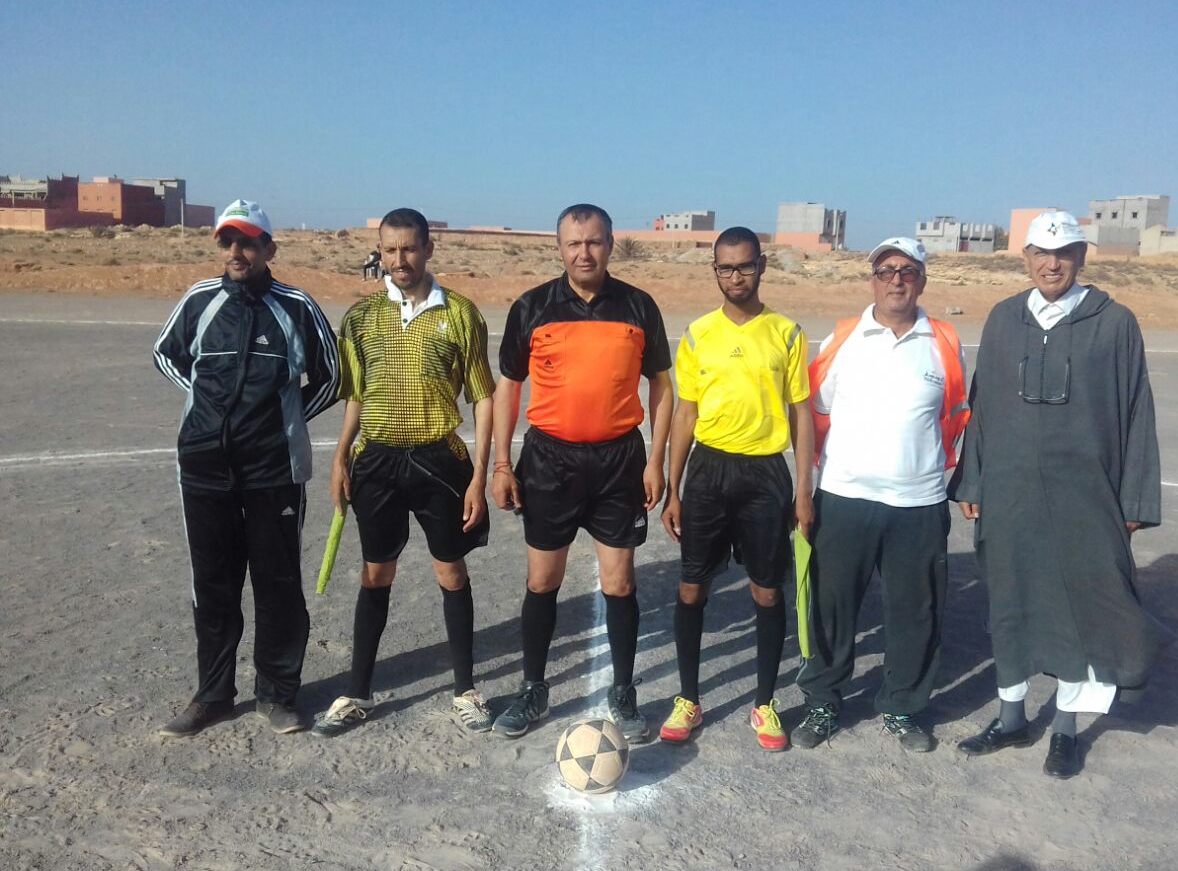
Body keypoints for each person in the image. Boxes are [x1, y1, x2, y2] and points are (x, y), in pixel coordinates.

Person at [949, 210, 1167, 778]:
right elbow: (983, 404)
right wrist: (973, 477)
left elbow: (1136, 411)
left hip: (1086, 495)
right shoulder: (1004, 319)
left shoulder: (1114, 323)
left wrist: (1135, 501)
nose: (1052, 264)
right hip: (1010, 490)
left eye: (1064, 252)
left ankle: (1066, 728)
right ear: (1025, 258)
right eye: (1041, 254)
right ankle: (1012, 717)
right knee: (1011, 599)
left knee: (1079, 607)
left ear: (1082, 256)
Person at [153, 199, 338, 737]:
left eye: (249, 242)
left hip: (273, 469)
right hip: (204, 465)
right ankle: (212, 696)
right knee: (212, 584)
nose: (237, 251)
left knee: (278, 583)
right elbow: (165, 353)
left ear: (269, 249)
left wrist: (283, 421)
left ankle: (278, 695)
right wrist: (206, 407)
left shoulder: (296, 306)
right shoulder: (200, 300)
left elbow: (331, 375)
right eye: (228, 242)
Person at [489, 204, 673, 741]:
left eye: (594, 242)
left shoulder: (638, 305)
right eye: (573, 243)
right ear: (559, 248)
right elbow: (508, 387)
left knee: (620, 582)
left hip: (619, 463)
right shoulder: (532, 307)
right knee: (542, 580)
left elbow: (662, 386)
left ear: (611, 245)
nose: (584, 253)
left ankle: (623, 691)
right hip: (550, 462)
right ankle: (533, 689)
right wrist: (502, 464)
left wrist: (656, 461)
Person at [313, 208, 496, 737]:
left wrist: (479, 476)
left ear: (428, 248)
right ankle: (357, 693)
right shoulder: (361, 317)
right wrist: (340, 457)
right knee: (375, 573)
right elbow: (355, 395)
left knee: (451, 572)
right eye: (390, 250)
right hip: (377, 462)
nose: (400, 260)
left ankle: (466, 691)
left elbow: (482, 398)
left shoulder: (460, 313)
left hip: (440, 462)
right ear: (380, 252)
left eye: (410, 248)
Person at [792, 237, 969, 752]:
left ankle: (903, 706)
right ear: (871, 279)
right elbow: (814, 412)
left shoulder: (944, 341)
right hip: (844, 496)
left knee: (917, 611)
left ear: (923, 280)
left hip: (918, 502)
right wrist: (812, 484)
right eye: (886, 270)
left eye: (907, 271)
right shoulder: (843, 338)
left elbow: (955, 415)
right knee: (831, 607)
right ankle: (823, 701)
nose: (896, 280)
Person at [658, 227, 812, 750]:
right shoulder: (698, 334)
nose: (736, 276)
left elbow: (801, 413)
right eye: (725, 267)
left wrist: (804, 489)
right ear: (715, 271)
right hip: (708, 472)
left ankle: (764, 704)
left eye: (745, 265)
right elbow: (685, 413)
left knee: (766, 590)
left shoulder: (787, 333)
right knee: (692, 587)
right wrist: (673, 488)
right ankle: (688, 698)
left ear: (761, 266)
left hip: (766, 474)